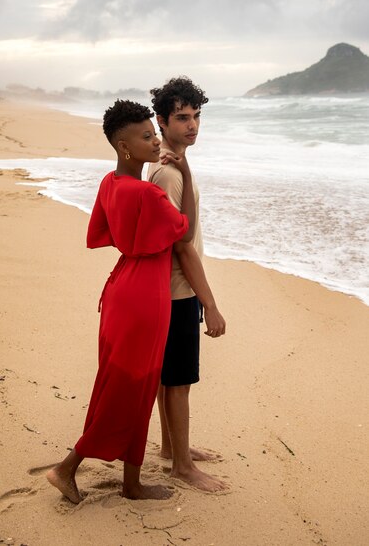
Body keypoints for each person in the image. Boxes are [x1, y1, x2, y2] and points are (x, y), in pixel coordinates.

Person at [47, 99, 196, 503]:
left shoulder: (109, 184)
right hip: (145, 296)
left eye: (153, 134)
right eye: (146, 136)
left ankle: (132, 483)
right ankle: (66, 467)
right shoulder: (146, 193)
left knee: (128, 387)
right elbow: (184, 234)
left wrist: (137, 239)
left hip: (120, 287)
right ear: (123, 146)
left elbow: (100, 234)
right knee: (128, 390)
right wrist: (183, 172)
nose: (154, 142)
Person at [148, 77, 227, 492]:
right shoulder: (168, 174)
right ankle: (181, 465)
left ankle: (169, 448)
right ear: (161, 120)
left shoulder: (173, 163)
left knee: (170, 377)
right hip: (178, 289)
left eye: (196, 116)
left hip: (172, 288)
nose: (192, 125)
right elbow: (182, 247)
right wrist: (209, 303)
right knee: (178, 382)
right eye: (182, 118)